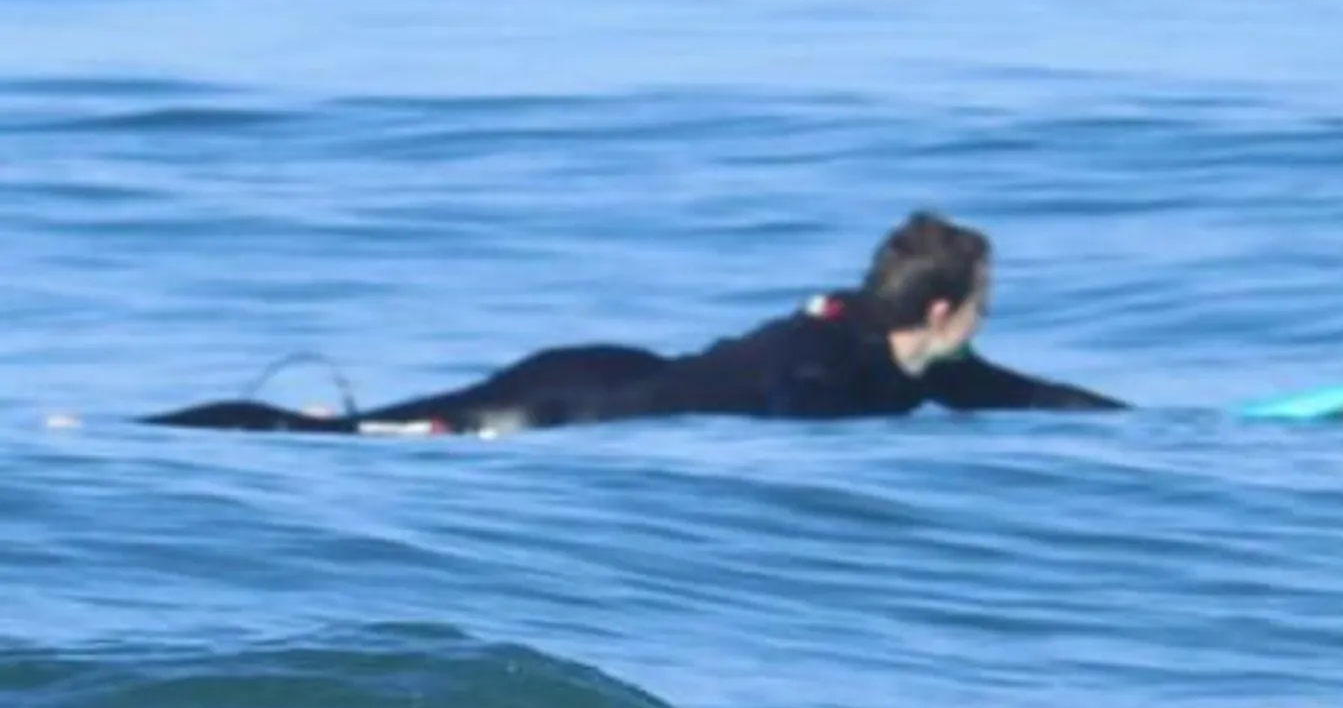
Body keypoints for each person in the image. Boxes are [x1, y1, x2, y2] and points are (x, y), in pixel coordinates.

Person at [152, 212, 1121, 433]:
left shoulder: (905, 362)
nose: (987, 324)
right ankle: (147, 437)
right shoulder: (829, 355)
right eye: (984, 303)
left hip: (612, 371)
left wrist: (1145, 425)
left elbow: (1019, 392)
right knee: (348, 439)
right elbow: (784, 404)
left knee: (351, 432)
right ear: (943, 309)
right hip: (574, 401)